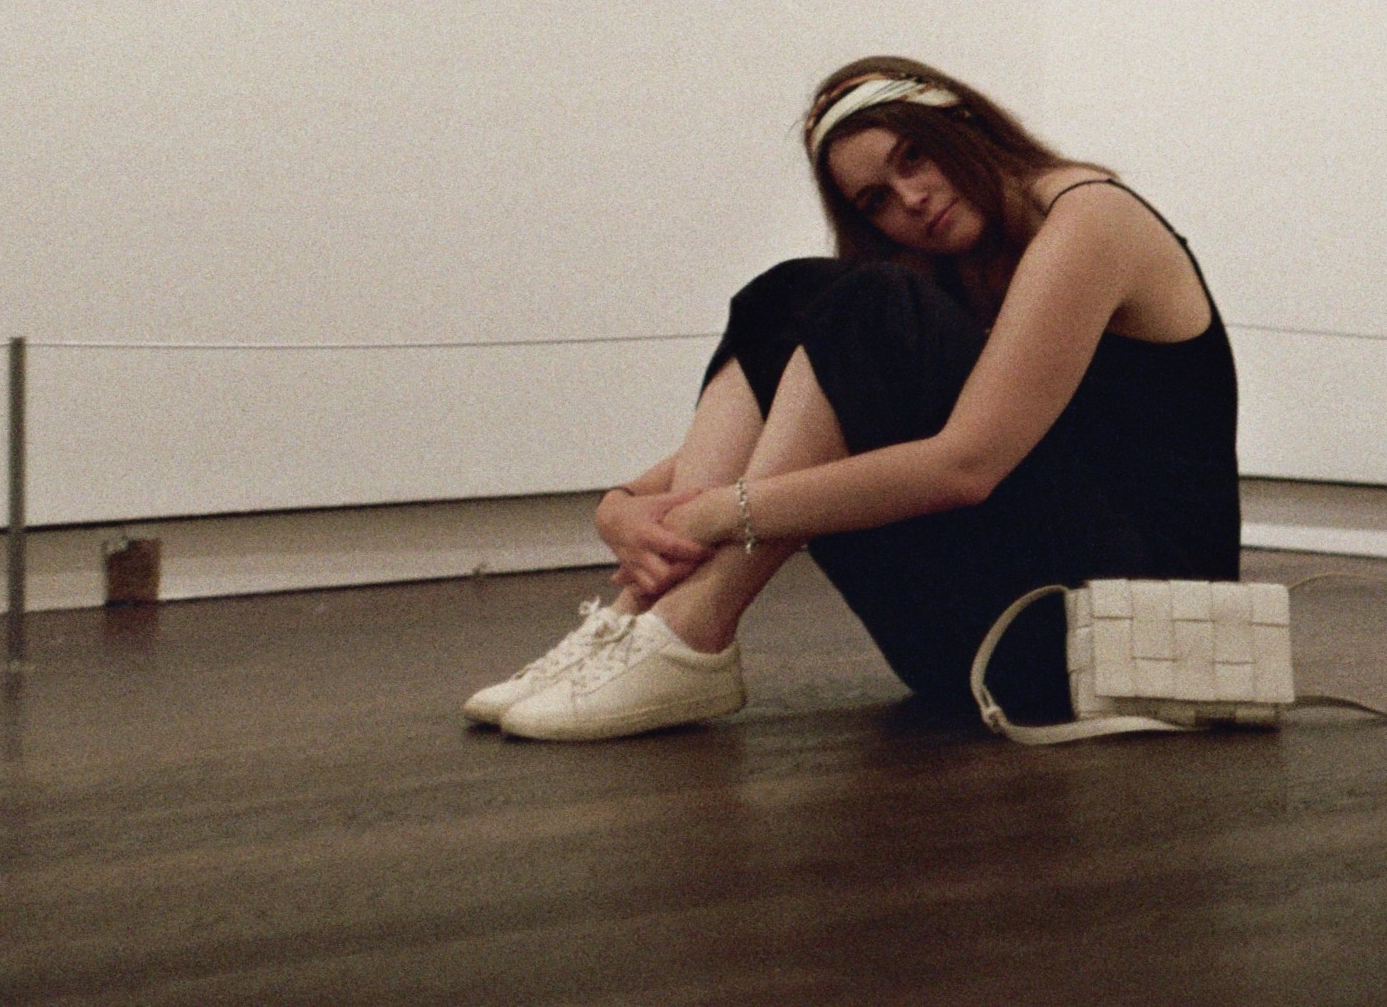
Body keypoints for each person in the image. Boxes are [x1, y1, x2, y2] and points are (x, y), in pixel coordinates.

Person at [465, 59, 1241, 741]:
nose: (912, 197)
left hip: (1132, 632)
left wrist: (709, 512)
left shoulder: (1089, 218)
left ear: (962, 122)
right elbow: (802, 399)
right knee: (788, 297)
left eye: (915, 156)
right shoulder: (947, 268)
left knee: (868, 306)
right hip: (983, 645)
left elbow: (965, 466)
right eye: (876, 199)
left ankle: (688, 631)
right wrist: (630, 506)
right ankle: (640, 624)